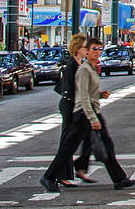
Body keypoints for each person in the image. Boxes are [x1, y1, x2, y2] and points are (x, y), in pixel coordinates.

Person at [41, 39, 135, 192]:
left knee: (106, 145)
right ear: (88, 51)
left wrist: (99, 95)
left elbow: (89, 94)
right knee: (68, 147)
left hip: (91, 111)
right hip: (84, 113)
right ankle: (49, 176)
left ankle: (119, 178)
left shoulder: (91, 68)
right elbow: (83, 97)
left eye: (100, 49)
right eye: (94, 49)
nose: (98, 51)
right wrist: (92, 118)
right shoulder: (84, 70)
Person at [53, 33, 92, 187]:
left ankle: (68, 173)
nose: (87, 49)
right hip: (70, 106)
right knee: (67, 142)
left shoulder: (79, 64)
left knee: (76, 140)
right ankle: (58, 175)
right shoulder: (71, 66)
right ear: (77, 49)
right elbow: (70, 90)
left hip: (75, 105)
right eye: (85, 47)